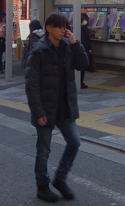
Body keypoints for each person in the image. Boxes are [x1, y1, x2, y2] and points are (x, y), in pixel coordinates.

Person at [25, 13, 89, 203]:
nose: (63, 30)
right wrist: (38, 111)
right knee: (43, 150)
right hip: (45, 108)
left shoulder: (69, 47)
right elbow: (31, 84)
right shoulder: (39, 51)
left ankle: (60, 178)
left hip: (65, 107)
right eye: (59, 27)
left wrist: (76, 44)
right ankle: (42, 186)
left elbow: (84, 64)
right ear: (49, 28)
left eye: (65, 27)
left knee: (75, 142)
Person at [79, 13, 93, 89]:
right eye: (85, 20)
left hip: (85, 49)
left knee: (83, 67)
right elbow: (86, 40)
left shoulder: (83, 28)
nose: (86, 21)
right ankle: (80, 82)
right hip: (83, 50)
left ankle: (81, 82)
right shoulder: (81, 29)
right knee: (82, 67)